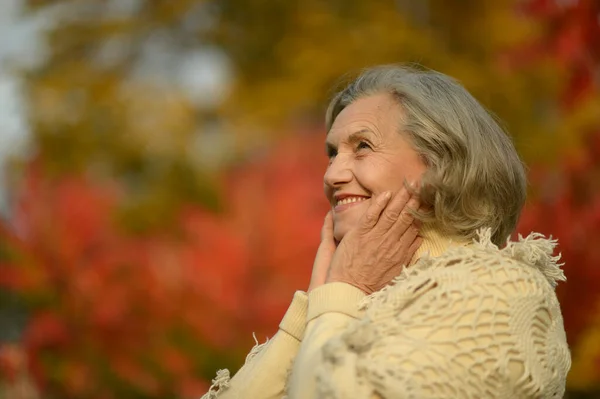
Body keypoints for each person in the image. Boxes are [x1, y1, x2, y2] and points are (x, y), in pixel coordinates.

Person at [202, 65, 571, 399]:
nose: (331, 176)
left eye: (362, 146)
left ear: (440, 164)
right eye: (332, 153)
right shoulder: (350, 298)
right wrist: (317, 302)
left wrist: (342, 290)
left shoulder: (505, 289)